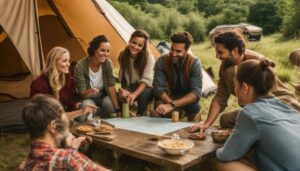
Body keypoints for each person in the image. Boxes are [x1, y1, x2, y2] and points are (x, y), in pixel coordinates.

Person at [190, 31, 300, 133]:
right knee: (225, 120)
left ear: (234, 51)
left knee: (250, 120)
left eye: (220, 52)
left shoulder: (255, 64)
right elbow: (220, 97)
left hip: (282, 104)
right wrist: (206, 124)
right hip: (257, 108)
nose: (217, 56)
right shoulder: (225, 68)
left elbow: (264, 100)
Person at [215, 59, 300, 171]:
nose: (235, 89)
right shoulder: (284, 106)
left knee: (222, 163)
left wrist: (218, 149)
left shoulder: (249, 113)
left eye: (235, 85)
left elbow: (226, 155)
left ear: (244, 88)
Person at [18, 94, 109, 170]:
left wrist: (69, 149)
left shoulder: (24, 166)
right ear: (53, 127)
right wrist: (72, 153)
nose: (66, 119)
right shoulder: (68, 159)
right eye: (62, 115)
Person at [30, 47, 96, 119]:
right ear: (53, 62)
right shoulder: (39, 84)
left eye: (69, 61)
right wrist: (81, 111)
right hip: (46, 120)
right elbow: (46, 113)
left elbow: (72, 97)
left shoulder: (68, 78)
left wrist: (75, 104)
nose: (68, 64)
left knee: (86, 105)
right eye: (65, 61)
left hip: (63, 114)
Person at [153, 32, 202, 121]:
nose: (174, 54)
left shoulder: (194, 63)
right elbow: (159, 88)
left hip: (187, 100)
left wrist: (173, 105)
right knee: (158, 105)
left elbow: (196, 93)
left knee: (195, 106)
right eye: (172, 49)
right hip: (169, 98)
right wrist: (170, 103)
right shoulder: (161, 61)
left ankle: (192, 122)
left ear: (186, 50)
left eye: (178, 51)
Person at [74, 35, 121, 122]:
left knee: (110, 105)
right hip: (87, 98)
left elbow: (111, 86)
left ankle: (96, 115)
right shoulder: (81, 66)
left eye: (108, 51)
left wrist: (117, 109)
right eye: (102, 50)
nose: (106, 54)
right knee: (81, 117)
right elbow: (82, 93)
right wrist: (90, 91)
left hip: (103, 97)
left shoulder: (107, 63)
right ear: (94, 49)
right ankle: (96, 115)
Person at [118, 30, 155, 115]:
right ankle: (124, 115)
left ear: (143, 47)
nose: (135, 47)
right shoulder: (123, 55)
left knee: (143, 95)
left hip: (146, 87)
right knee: (121, 97)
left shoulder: (149, 58)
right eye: (134, 43)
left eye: (140, 45)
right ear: (129, 41)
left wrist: (134, 95)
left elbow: (146, 81)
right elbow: (123, 77)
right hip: (130, 86)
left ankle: (141, 115)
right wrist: (123, 91)